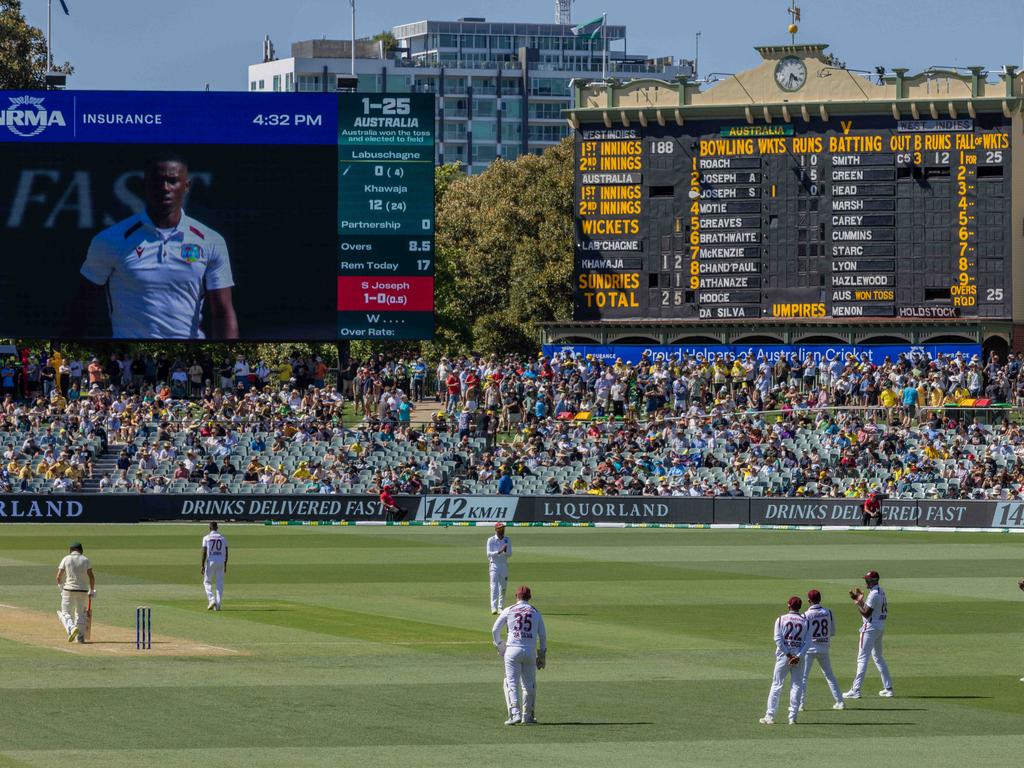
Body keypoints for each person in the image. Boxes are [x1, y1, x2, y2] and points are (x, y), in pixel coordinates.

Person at [69, 154, 238, 339]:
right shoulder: (110, 240)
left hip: (189, 355)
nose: (165, 188)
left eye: (172, 181)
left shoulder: (210, 240)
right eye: (157, 181)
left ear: (186, 186)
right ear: (144, 186)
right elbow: (82, 307)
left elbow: (222, 312)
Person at [492, 585, 547, 725]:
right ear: (529, 597)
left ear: (516, 596)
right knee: (529, 685)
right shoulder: (535, 612)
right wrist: (542, 656)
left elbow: (495, 630)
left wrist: (500, 645)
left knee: (511, 682)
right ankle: (527, 716)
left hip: (512, 650)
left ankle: (514, 714)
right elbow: (543, 635)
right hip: (529, 650)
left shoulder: (509, 610)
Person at [760, 596, 810, 725]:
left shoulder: (781, 619)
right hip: (798, 657)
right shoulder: (805, 621)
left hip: (784, 656)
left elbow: (778, 640)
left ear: (788, 605)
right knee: (797, 685)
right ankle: (792, 717)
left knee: (776, 685)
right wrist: (798, 655)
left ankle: (770, 716)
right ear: (800, 607)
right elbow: (808, 642)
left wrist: (789, 655)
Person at [844, 570, 893, 699]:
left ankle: (856, 690)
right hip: (879, 627)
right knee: (878, 657)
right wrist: (860, 601)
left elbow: (866, 613)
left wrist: (856, 602)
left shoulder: (874, 594)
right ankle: (888, 688)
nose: (866, 582)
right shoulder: (880, 591)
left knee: (862, 659)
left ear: (874, 580)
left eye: (868, 580)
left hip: (870, 628)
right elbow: (869, 609)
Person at [798, 589, 844, 712]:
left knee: (803, 677)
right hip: (824, 647)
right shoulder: (828, 612)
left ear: (809, 601)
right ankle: (840, 701)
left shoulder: (805, 615)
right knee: (829, 676)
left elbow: (802, 635)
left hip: (809, 649)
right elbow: (832, 632)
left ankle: (800, 704)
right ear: (820, 599)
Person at [56, 541, 95, 643]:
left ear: (71, 550)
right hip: (83, 590)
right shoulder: (85, 560)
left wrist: (61, 587)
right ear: (81, 550)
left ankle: (71, 628)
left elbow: (58, 576)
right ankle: (80, 637)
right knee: (80, 613)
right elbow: (91, 576)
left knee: (64, 612)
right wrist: (91, 590)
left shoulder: (66, 558)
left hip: (68, 589)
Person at [201, 521, 228, 611]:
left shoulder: (206, 538)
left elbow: (204, 552)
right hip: (221, 561)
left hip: (211, 561)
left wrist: (202, 565)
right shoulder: (223, 538)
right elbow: (226, 552)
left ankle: (212, 599)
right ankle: (218, 605)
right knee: (219, 583)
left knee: (207, 582)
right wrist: (225, 565)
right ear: (217, 528)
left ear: (209, 528)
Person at [487, 522, 512, 615]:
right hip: (494, 565)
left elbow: (510, 554)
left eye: (503, 528)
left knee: (503, 587)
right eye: (500, 528)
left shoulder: (507, 539)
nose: (503, 530)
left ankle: (500, 607)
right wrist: (499, 551)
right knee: (494, 587)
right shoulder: (491, 540)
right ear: (496, 530)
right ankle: (493, 608)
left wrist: (505, 551)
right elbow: (488, 554)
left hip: (504, 565)